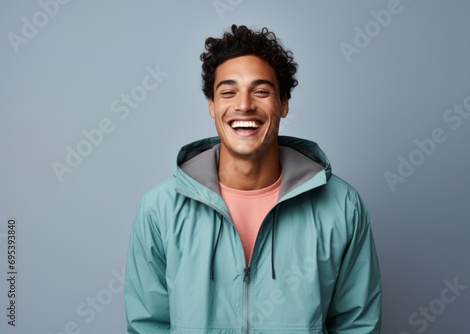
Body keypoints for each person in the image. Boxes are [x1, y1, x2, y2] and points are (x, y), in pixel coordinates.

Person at [125, 24, 382, 333]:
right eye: (228, 92)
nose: (244, 104)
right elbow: (148, 325)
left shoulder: (341, 206)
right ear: (212, 106)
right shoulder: (160, 209)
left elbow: (358, 325)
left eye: (261, 91)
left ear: (283, 104)